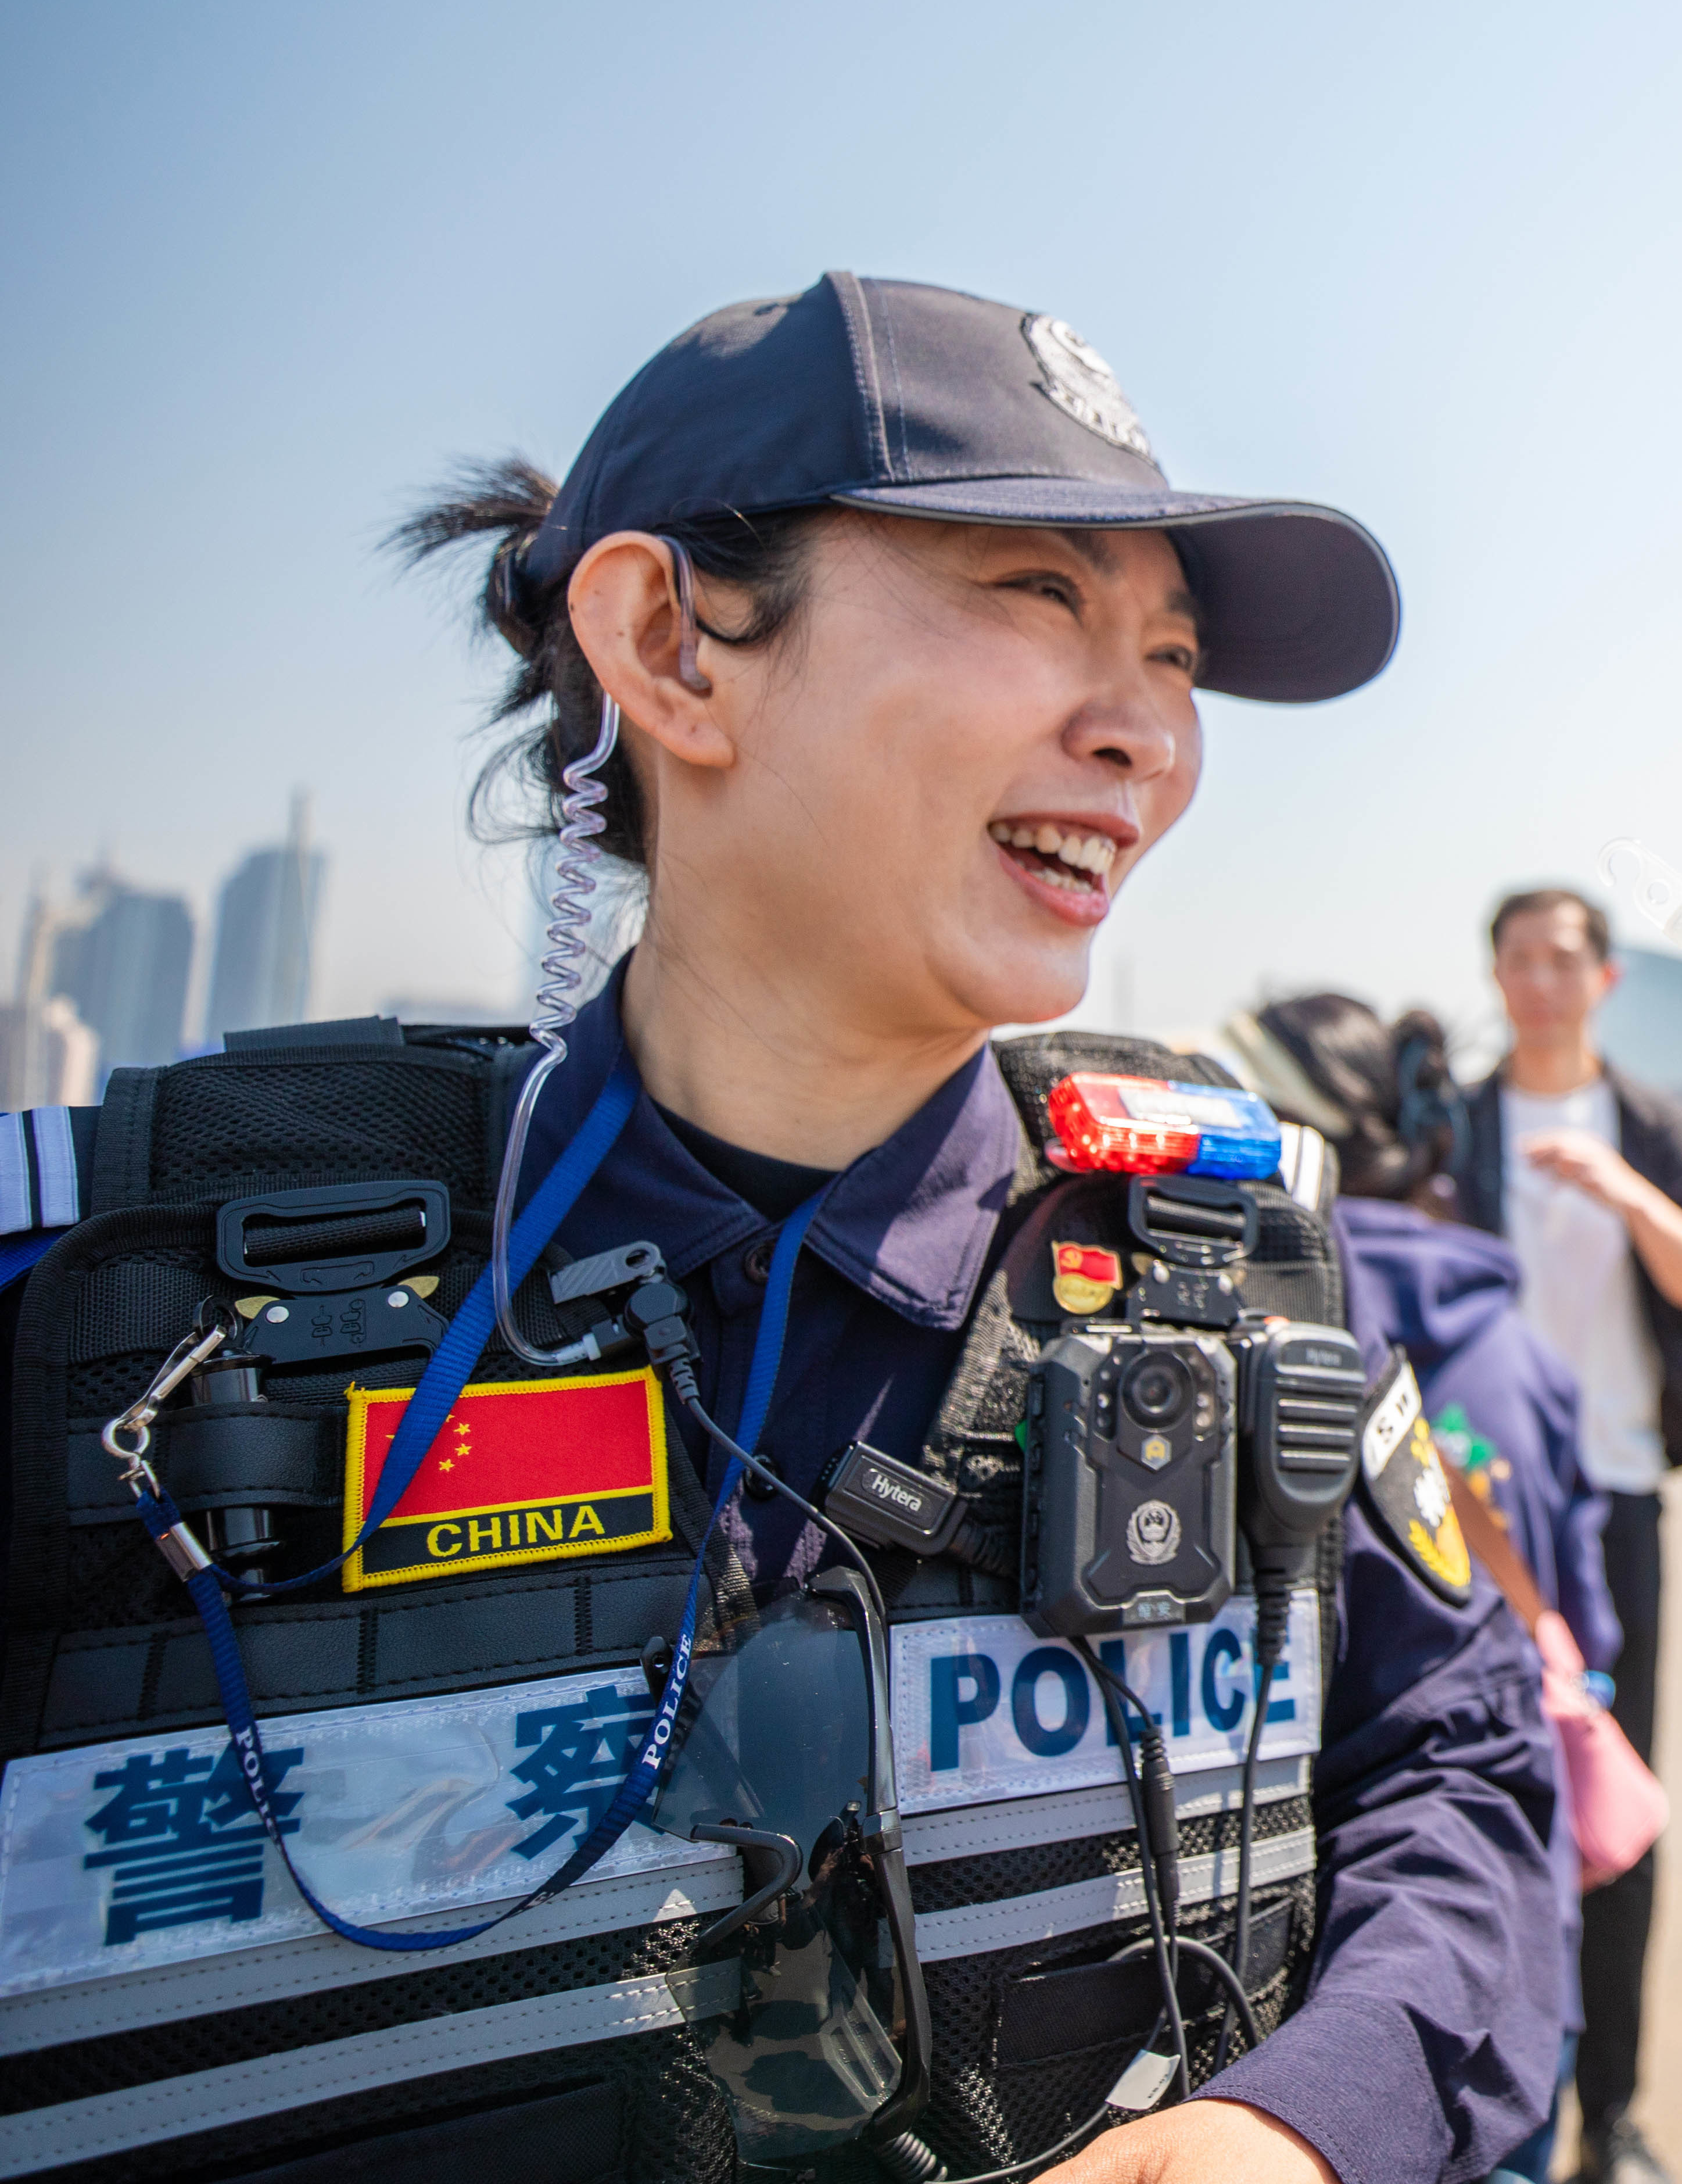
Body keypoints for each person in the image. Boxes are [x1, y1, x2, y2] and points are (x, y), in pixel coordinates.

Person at [0, 274, 1560, 2184]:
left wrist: (1303, 2128)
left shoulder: (1231, 1281)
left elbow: (1464, 1766)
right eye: (1041, 596)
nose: (1148, 733)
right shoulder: (123, 1320)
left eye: (1170, 655)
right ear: (673, 647)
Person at [1220, 993, 1619, 2184]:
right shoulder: (1508, 1337)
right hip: (1494, 1934)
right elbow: (1585, 1615)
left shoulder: (1266, 1328)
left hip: (1319, 2018)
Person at [1453, 891, 1682, 2184]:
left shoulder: (1649, 1124)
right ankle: (1493, 2104)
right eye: (1518, 958)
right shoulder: (1457, 1120)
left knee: (1615, 1802)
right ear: (1495, 973)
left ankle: (1615, 2113)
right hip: (1472, 1507)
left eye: (1563, 958)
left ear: (1604, 976)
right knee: (1468, 1792)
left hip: (1617, 1492)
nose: (1539, 979)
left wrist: (1616, 1184)